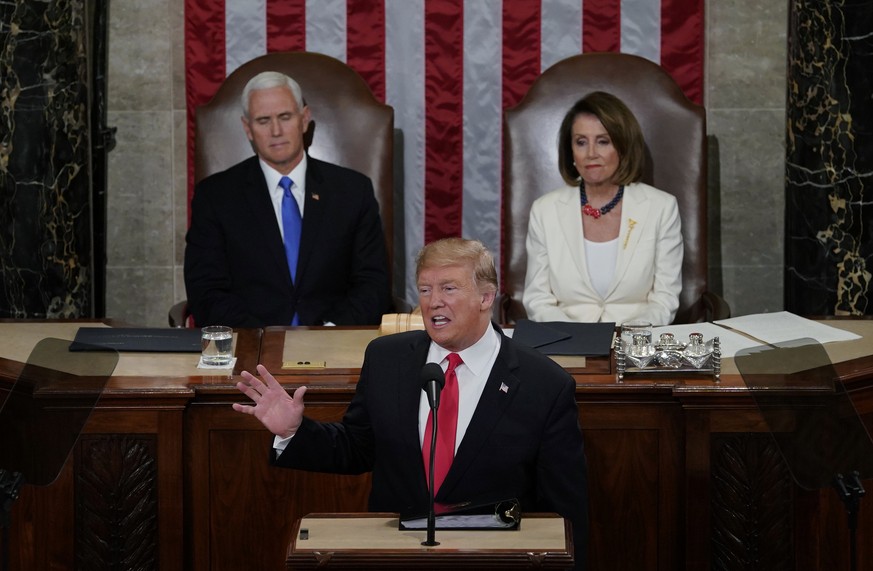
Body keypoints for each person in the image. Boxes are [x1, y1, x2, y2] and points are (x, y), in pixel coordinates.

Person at [233, 237, 589, 570]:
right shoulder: (389, 359)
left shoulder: (543, 383)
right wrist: (295, 431)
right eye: (425, 289)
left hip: (493, 557)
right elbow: (358, 447)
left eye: (448, 288)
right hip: (394, 553)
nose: (434, 301)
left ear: (486, 297)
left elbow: (566, 510)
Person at [184, 71, 392, 327]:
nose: (276, 131)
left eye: (285, 117)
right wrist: (259, 339)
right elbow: (205, 288)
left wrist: (330, 332)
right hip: (248, 347)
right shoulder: (216, 196)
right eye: (263, 120)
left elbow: (372, 283)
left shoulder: (352, 191)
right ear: (248, 129)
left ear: (304, 119)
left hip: (333, 343)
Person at [523, 91, 683, 326]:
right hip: (567, 344)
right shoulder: (544, 210)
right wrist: (578, 339)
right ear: (571, 152)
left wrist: (625, 339)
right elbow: (537, 300)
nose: (591, 154)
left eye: (603, 141)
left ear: (623, 147)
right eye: (581, 142)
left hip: (635, 346)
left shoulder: (661, 208)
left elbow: (664, 300)